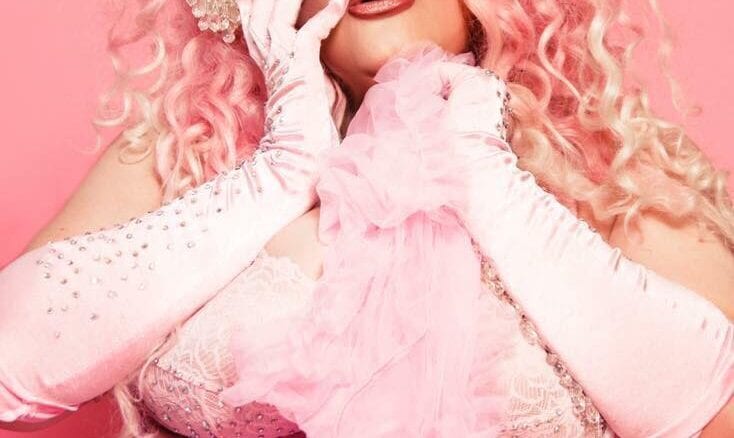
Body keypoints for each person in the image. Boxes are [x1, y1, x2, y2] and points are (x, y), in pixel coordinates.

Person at [1, 0, 733, 437]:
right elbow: (13, 360)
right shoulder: (183, 151)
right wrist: (279, 173)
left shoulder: (615, 168)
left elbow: (717, 416)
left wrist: (491, 185)